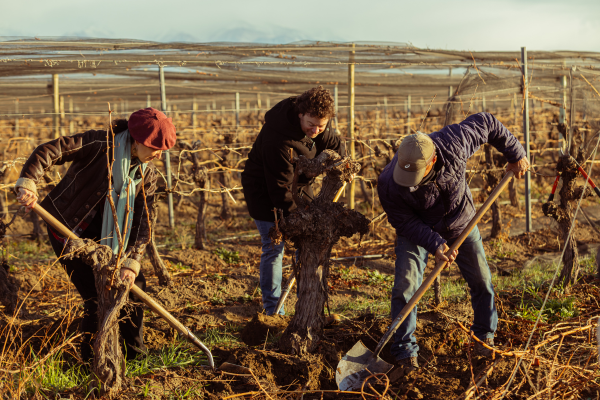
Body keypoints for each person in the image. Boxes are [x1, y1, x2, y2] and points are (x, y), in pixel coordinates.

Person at [15, 108, 176, 362]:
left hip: (113, 241)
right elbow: (52, 150)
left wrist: (132, 263)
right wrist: (29, 180)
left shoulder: (149, 176)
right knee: (96, 295)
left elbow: (143, 224)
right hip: (69, 230)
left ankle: (135, 355)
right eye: (155, 146)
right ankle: (92, 360)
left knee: (134, 289)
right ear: (136, 139)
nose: (159, 153)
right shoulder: (100, 144)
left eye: (162, 149)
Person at [377, 112, 529, 371]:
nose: (410, 186)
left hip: (462, 223)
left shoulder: (454, 142)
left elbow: (488, 123)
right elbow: (404, 222)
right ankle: (403, 350)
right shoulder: (388, 183)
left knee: (481, 279)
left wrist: (515, 154)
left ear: (432, 160)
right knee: (406, 285)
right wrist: (435, 244)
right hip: (417, 230)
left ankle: (484, 336)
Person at [241, 86, 343, 315]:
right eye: (311, 124)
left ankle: (305, 304)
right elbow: (280, 188)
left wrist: (339, 163)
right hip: (265, 192)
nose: (316, 130)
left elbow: (335, 146)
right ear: (300, 114)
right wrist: (298, 219)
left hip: (297, 186)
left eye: (322, 125)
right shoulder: (275, 139)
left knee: (307, 243)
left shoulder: (318, 126)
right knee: (274, 247)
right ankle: (273, 310)